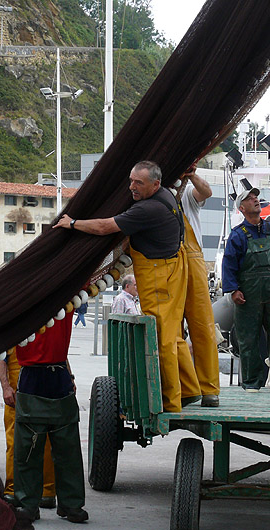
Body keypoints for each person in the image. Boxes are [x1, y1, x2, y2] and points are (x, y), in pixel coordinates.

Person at [55, 160, 188, 413]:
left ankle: (171, 402)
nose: (132, 187)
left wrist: (73, 223)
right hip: (174, 270)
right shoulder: (166, 197)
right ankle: (189, 390)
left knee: (161, 339)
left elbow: (105, 227)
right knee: (173, 335)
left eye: (139, 183)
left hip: (159, 276)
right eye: (131, 181)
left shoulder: (146, 209)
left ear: (155, 183)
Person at [12, 309, 87, 523]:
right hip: (31, 378)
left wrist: (69, 374)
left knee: (68, 448)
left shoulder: (66, 298)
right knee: (28, 449)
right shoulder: (21, 304)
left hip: (59, 376)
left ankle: (71, 504)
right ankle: (28, 504)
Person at [222, 188, 270, 392]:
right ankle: (251, 384)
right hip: (247, 298)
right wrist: (234, 290)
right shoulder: (237, 235)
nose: (255, 199)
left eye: (255, 196)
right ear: (241, 208)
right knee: (248, 341)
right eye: (249, 198)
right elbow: (229, 265)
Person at [175, 165, 219, 407]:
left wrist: (190, 175)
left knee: (202, 325)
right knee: (171, 329)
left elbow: (206, 192)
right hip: (167, 263)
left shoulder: (186, 194)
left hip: (193, 261)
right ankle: (183, 387)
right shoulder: (152, 196)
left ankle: (208, 388)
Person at [0, 348, 57, 509]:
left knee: (46, 439)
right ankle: (13, 489)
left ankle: (47, 491)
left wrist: (69, 378)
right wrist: (5, 387)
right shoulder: (11, 328)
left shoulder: (47, 325)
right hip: (17, 394)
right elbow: (0, 357)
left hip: (44, 388)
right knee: (15, 440)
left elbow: (60, 354)